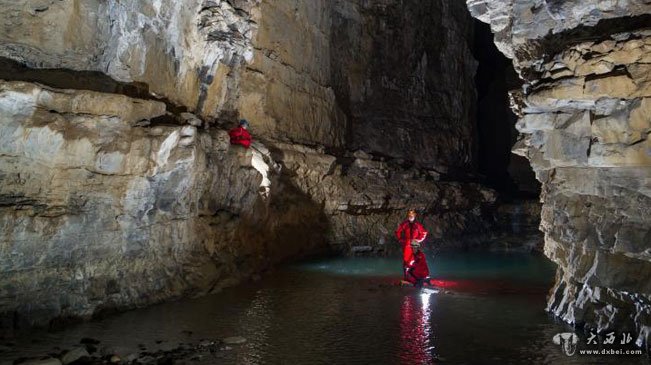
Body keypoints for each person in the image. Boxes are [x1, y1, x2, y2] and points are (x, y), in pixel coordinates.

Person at [395, 209, 428, 280]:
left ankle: (417, 275)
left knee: (416, 259)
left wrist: (418, 240)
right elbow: (398, 232)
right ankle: (406, 276)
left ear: (415, 215)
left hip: (415, 244)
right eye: (409, 215)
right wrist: (401, 239)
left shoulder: (417, 225)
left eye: (412, 215)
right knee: (406, 260)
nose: (411, 216)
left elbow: (424, 233)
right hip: (407, 244)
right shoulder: (404, 224)